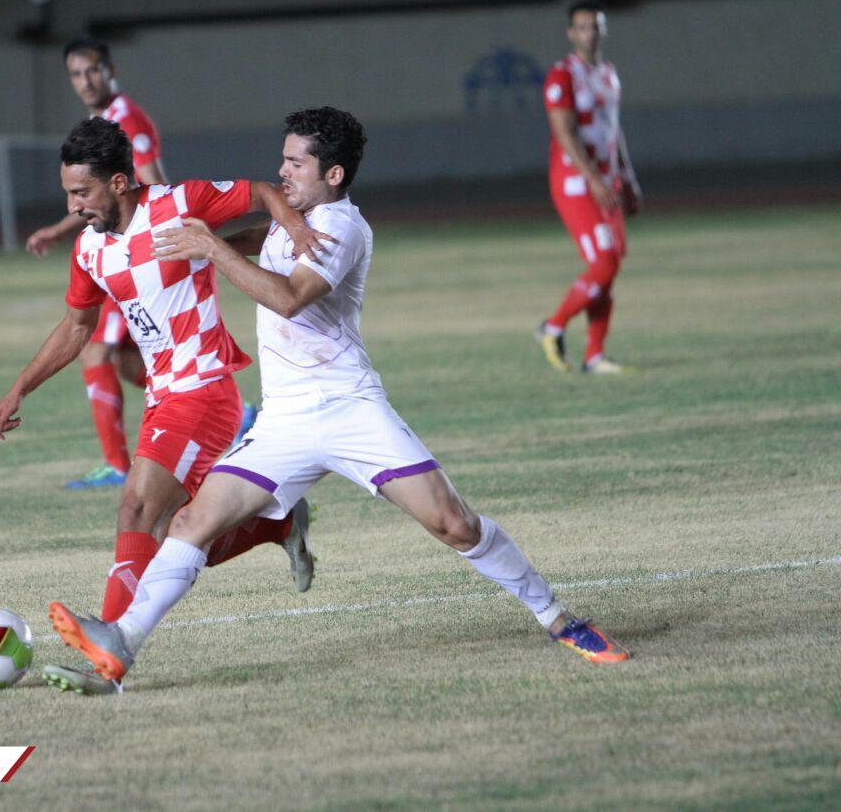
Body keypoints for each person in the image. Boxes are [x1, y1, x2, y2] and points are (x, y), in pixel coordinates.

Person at [45, 107, 631, 689]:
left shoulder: (342, 227)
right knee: (191, 522)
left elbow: (289, 298)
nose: (283, 172)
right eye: (283, 159)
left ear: (332, 176)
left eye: (296, 163)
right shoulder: (291, 218)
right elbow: (254, 237)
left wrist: (213, 249)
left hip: (350, 409)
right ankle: (121, 642)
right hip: (285, 422)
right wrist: (197, 244)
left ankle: (558, 619)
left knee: (453, 524)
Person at [0, 117, 325, 693]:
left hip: (205, 388)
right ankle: (276, 524)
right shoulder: (91, 250)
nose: (72, 205)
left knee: (136, 508)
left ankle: (107, 656)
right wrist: (22, 385)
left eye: (81, 192)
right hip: (164, 393)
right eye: (67, 192)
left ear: (120, 182)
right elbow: (76, 327)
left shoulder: (176, 204)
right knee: (172, 532)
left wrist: (294, 228)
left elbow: (264, 193)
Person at [24, 37, 254, 490]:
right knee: (130, 362)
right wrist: (59, 229)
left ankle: (117, 463)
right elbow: (100, 194)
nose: (85, 81)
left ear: (110, 70)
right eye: (75, 74)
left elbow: (144, 186)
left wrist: (157, 238)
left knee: (94, 351)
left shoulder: (126, 119)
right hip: (126, 247)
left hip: (139, 254)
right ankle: (230, 409)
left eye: (92, 70)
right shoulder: (99, 123)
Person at [535, 0, 642, 374]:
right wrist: (594, 179)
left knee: (609, 268)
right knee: (604, 262)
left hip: (606, 179)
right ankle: (553, 326)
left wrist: (627, 178)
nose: (589, 34)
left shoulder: (609, 74)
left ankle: (594, 355)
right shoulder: (562, 76)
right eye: (582, 27)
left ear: (603, 30)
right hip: (576, 182)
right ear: (571, 32)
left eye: (595, 27)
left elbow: (614, 132)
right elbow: (564, 133)